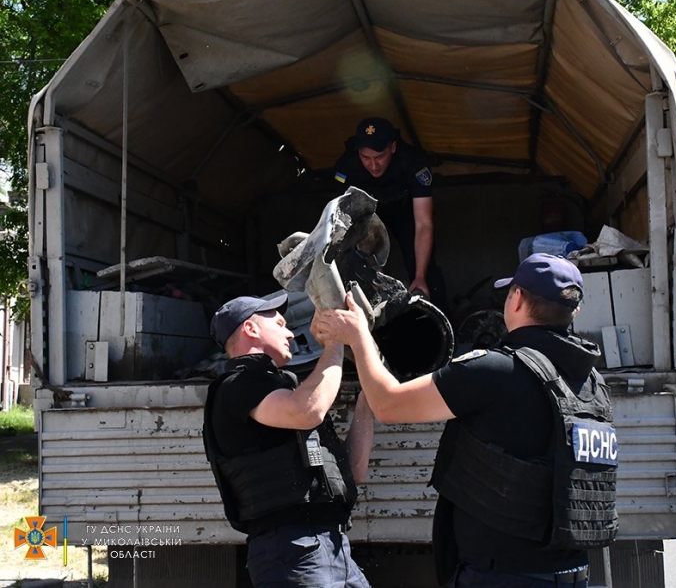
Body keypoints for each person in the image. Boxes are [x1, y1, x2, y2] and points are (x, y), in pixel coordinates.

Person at [315, 253, 617, 588]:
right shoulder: (591, 384)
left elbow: (388, 404)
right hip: (571, 574)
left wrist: (359, 337)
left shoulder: (495, 370)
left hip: (502, 577)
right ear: (574, 311)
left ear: (516, 298)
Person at [202, 292, 375, 588]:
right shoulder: (238, 385)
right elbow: (307, 411)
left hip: (333, 547)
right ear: (251, 329)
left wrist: (369, 395)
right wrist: (335, 342)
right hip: (292, 551)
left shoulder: (283, 388)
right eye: (280, 324)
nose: (291, 333)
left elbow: (354, 471)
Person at [333, 116, 447, 310]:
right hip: (367, 216)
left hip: (405, 211)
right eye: (366, 158)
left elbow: (424, 224)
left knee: (426, 273)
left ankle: (442, 326)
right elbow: (345, 222)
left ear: (392, 148)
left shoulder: (413, 162)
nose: (373, 165)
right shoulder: (346, 167)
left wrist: (420, 277)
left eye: (380, 157)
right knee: (358, 269)